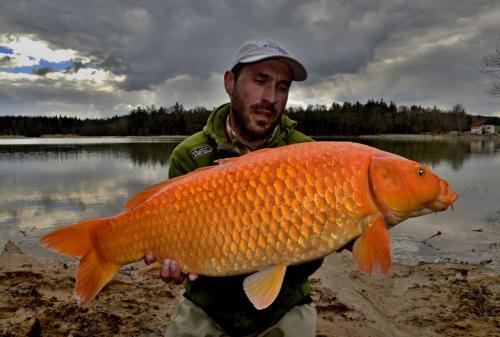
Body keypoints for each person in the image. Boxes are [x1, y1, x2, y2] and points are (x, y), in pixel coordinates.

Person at [146, 39, 323, 337]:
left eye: (282, 87)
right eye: (260, 81)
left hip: (285, 303)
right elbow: (176, 237)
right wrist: (172, 259)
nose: (270, 97)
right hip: (208, 304)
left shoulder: (308, 153)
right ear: (230, 82)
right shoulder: (190, 155)